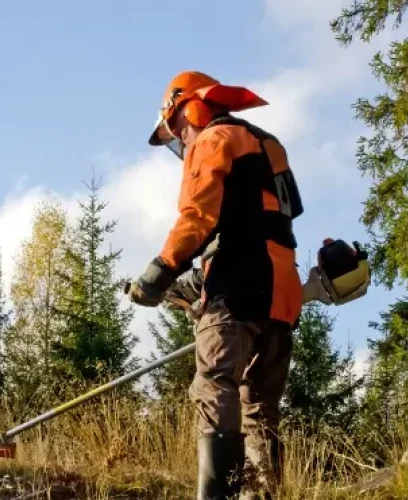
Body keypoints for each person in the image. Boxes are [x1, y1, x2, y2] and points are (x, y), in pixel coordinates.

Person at [127, 70, 318, 500]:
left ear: (188, 108)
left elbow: (198, 217)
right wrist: (194, 281)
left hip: (237, 287)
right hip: (282, 290)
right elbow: (264, 222)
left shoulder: (214, 140)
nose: (181, 138)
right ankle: (263, 494)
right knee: (259, 407)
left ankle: (217, 497)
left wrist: (159, 273)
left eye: (177, 128)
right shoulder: (270, 144)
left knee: (214, 385)